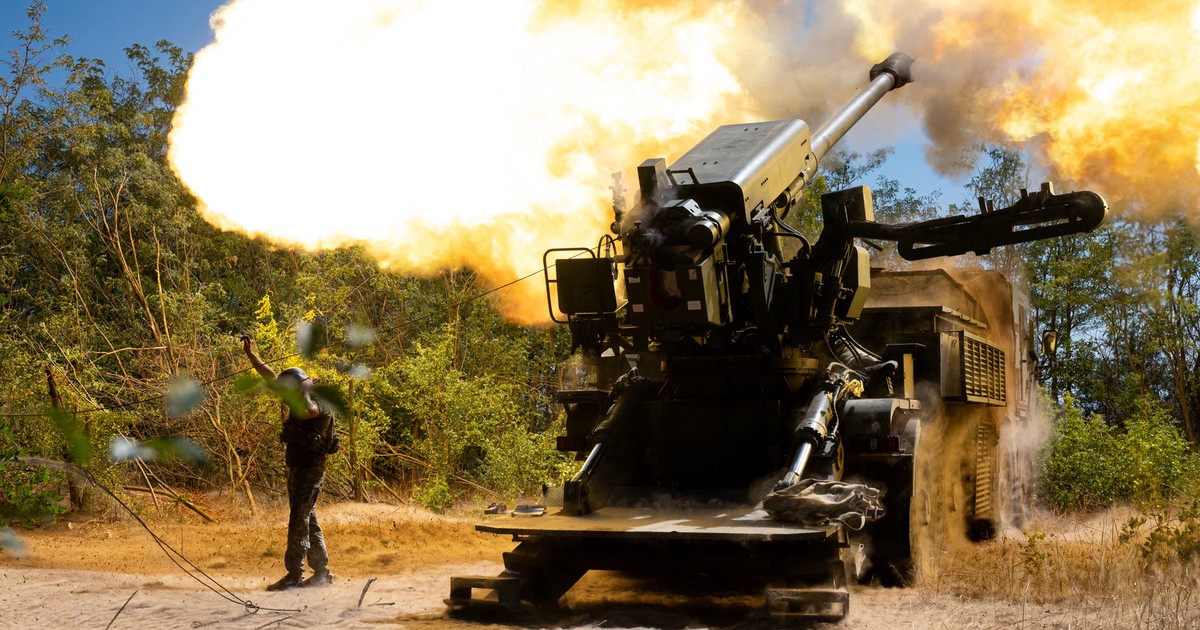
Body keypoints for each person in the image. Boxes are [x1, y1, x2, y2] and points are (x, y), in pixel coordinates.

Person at [242, 335, 337, 591]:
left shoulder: (319, 402)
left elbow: (308, 412)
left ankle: (294, 575)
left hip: (311, 469)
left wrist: (305, 390)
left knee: (299, 519)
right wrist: (253, 356)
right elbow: (272, 378)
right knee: (309, 518)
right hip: (298, 467)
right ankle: (322, 573)